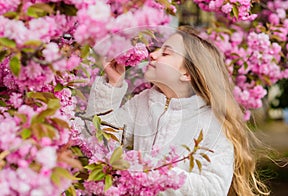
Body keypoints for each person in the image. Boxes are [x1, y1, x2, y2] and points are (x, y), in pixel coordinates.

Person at [85, 26, 269, 195]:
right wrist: (111, 85)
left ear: (186, 74)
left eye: (165, 53)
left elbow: (214, 187)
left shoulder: (212, 122)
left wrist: (154, 174)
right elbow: (99, 141)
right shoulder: (142, 103)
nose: (153, 55)